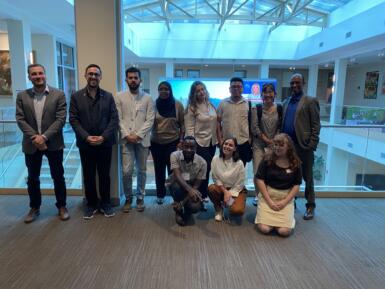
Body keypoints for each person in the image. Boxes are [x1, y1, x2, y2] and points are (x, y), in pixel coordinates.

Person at [16, 63, 69, 223]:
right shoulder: (22, 96)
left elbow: (61, 119)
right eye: (34, 74)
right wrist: (36, 138)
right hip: (31, 144)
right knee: (33, 178)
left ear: (45, 74)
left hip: (53, 143)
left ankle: (62, 206)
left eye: (40, 73)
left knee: (58, 176)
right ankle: (34, 207)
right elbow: (20, 119)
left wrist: (44, 137)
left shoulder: (58, 94)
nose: (38, 76)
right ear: (29, 77)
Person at [69, 64, 119, 219]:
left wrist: (103, 137)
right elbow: (73, 119)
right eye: (90, 74)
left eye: (96, 74)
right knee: (89, 176)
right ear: (85, 76)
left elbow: (114, 119)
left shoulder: (108, 96)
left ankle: (105, 204)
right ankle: (91, 204)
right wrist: (86, 137)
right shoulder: (76, 96)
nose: (93, 77)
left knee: (105, 175)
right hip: (86, 144)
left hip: (104, 143)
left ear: (100, 77)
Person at [115, 66, 155, 213]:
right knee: (126, 171)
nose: (133, 80)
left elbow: (150, 119)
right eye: (130, 78)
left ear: (140, 80)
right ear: (126, 80)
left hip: (142, 141)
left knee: (142, 170)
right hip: (126, 141)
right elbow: (117, 119)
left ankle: (140, 197)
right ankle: (128, 198)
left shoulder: (148, 98)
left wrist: (138, 135)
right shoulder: (119, 96)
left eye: (135, 78)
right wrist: (127, 135)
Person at [282, 73, 321, 220]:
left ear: (303, 83)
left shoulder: (310, 101)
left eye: (297, 82)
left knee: (308, 177)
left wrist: (311, 145)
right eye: (292, 83)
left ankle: (310, 206)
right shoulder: (286, 102)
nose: (294, 85)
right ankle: (291, 202)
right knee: (290, 176)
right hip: (288, 147)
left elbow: (316, 125)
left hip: (303, 146)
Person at [254, 133, 302, 237]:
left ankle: (285, 218)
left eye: (281, 145)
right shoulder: (267, 159)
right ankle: (271, 220)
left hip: (286, 198)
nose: (277, 147)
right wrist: (269, 201)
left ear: (288, 147)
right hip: (268, 196)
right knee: (265, 229)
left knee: (284, 232)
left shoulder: (295, 162)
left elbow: (297, 185)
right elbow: (260, 179)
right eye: (275, 144)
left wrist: (285, 202)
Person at [184, 81, 219, 205]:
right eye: (198, 91)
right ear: (194, 94)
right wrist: (191, 147)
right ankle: (198, 196)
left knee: (207, 169)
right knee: (200, 170)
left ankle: (202, 195)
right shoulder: (192, 108)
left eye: (202, 89)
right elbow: (189, 128)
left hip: (212, 142)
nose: (201, 92)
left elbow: (216, 123)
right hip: (199, 143)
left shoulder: (210, 105)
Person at [150, 81, 184, 205]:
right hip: (156, 143)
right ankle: (160, 194)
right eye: (161, 89)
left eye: (166, 89)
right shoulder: (153, 105)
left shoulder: (178, 105)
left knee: (173, 171)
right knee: (158, 170)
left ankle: (175, 196)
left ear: (170, 91)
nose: (164, 91)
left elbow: (182, 125)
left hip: (172, 143)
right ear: (158, 91)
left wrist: (181, 140)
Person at [251, 83, 282, 206]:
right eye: (265, 92)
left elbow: (280, 126)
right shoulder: (256, 108)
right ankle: (258, 195)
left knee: (272, 171)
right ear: (261, 94)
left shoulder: (279, 108)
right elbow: (255, 127)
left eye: (270, 92)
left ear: (275, 94)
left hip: (275, 146)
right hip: (259, 144)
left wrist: (273, 141)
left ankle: (269, 195)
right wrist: (267, 140)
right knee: (258, 171)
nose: (268, 94)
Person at [167, 136, 206, 226]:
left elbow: (196, 185)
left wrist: (183, 202)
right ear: (182, 146)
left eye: (192, 147)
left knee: (196, 206)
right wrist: (191, 190)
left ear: (196, 148)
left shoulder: (202, 162)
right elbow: (177, 175)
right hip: (177, 183)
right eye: (186, 146)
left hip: (192, 186)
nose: (189, 150)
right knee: (176, 186)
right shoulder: (174, 155)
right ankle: (179, 212)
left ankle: (186, 210)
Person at [208, 137, 247, 221]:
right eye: (225, 144)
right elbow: (215, 177)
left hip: (235, 190)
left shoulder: (239, 163)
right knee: (211, 189)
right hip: (221, 189)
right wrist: (225, 192)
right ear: (222, 145)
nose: (227, 146)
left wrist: (229, 194)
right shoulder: (215, 159)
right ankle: (218, 209)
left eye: (231, 145)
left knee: (237, 211)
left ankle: (230, 203)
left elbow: (240, 183)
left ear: (235, 148)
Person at [217, 77, 251, 165]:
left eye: (239, 86)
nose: (236, 89)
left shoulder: (248, 104)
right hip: (226, 144)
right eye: (233, 86)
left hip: (243, 143)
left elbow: (250, 123)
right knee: (225, 168)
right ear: (229, 89)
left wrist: (250, 140)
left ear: (242, 88)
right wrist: (220, 140)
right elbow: (217, 123)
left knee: (240, 170)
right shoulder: (222, 103)